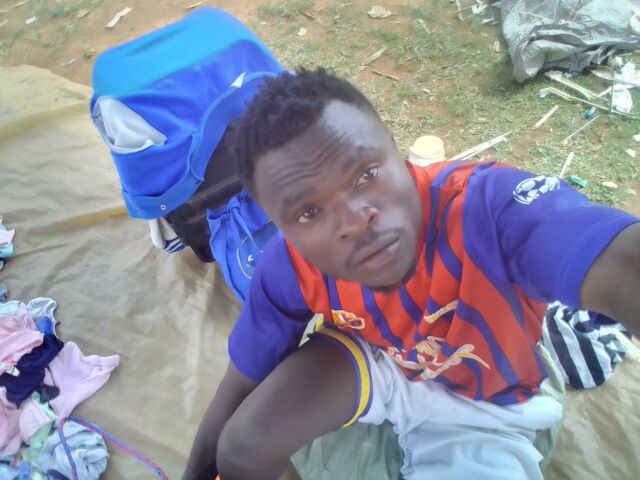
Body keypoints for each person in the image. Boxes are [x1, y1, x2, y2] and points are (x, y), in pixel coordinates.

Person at [183, 68, 640, 480]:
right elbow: (239, 383)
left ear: (396, 149)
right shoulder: (290, 265)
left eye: (365, 174)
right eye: (308, 212)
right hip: (379, 357)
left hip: (487, 398)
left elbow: (624, 267)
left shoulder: (485, 209)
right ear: (280, 226)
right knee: (242, 448)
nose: (354, 221)